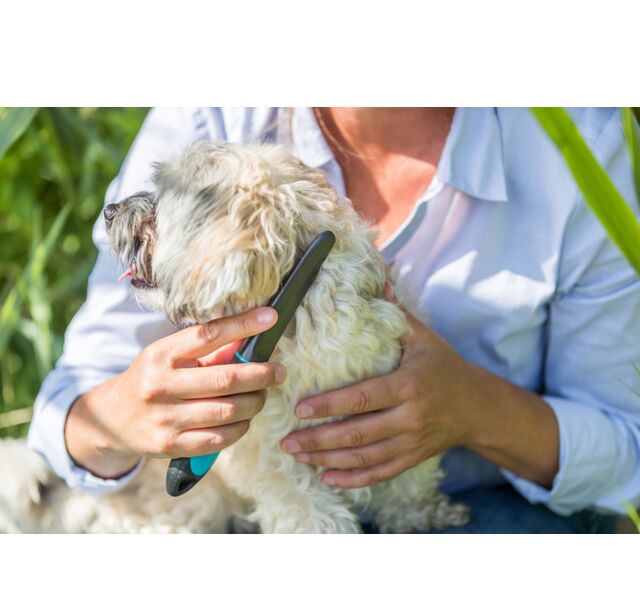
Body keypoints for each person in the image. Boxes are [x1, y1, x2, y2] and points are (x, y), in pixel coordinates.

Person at [28, 107, 640, 533]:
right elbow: (72, 407)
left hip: (486, 505)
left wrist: (475, 410)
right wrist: (116, 416)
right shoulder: (208, 114)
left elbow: (625, 452)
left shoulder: (582, 148)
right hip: (231, 510)